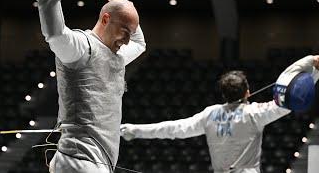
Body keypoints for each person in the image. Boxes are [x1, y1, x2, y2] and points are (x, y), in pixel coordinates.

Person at [120, 55, 319, 173]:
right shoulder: (256, 113)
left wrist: (132, 130)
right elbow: (293, 94)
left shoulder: (210, 114)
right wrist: (313, 66)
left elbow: (172, 128)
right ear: (247, 91)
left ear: (224, 94)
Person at [37, 0, 146, 172]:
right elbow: (55, 34)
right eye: (125, 32)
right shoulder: (82, 48)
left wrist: (123, 2)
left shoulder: (116, 57)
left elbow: (140, 44)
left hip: (94, 163)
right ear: (105, 19)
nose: (127, 41)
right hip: (79, 161)